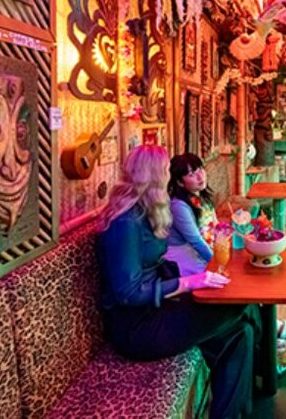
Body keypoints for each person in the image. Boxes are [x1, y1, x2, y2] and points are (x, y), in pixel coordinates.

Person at [97, 145, 258, 419]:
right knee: (239, 308)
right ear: (151, 176)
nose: (167, 176)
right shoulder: (125, 221)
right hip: (137, 328)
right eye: (163, 171)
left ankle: (236, 411)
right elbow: (128, 293)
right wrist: (187, 284)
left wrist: (185, 283)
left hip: (158, 308)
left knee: (241, 333)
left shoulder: (144, 211)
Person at [166, 152, 286, 354]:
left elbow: (213, 228)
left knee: (248, 280)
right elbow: (196, 241)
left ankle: (271, 336)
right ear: (180, 182)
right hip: (188, 265)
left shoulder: (200, 198)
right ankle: (275, 334)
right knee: (238, 286)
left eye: (200, 169)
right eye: (191, 174)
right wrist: (219, 262)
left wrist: (233, 231)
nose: (200, 176)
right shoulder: (179, 206)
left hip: (206, 255)